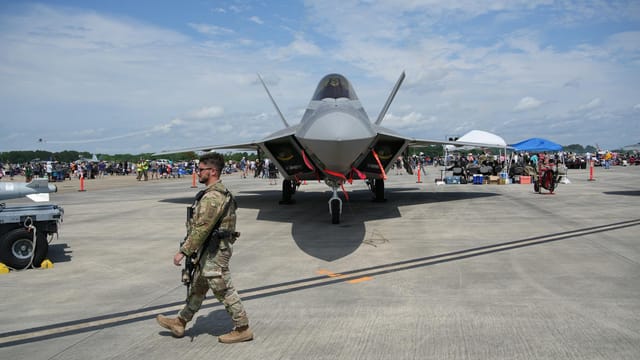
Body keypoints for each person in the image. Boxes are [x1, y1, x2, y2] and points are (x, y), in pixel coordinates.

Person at [156, 152, 253, 344]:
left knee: (223, 289)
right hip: (209, 250)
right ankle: (180, 321)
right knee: (198, 287)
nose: (197, 172)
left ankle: (243, 328)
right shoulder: (211, 193)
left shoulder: (214, 196)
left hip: (216, 251)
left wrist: (183, 251)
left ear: (213, 171)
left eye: (201, 170)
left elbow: (201, 228)